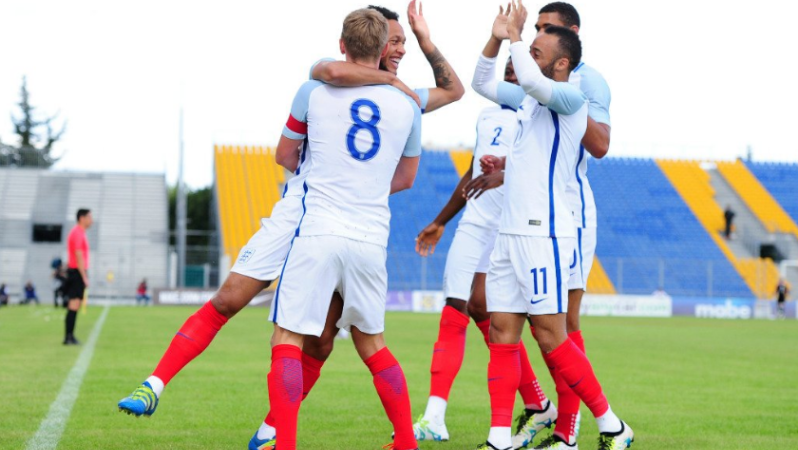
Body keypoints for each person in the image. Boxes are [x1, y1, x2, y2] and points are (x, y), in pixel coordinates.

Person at [117, 0, 464, 440]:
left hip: (323, 220)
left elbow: (450, 92)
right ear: (378, 46)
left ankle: (270, 432)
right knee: (234, 300)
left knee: (312, 341)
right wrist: (392, 79)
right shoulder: (382, 92)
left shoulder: (394, 96)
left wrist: (424, 42)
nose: (400, 50)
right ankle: (156, 384)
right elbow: (339, 77)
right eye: (395, 41)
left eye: (402, 42)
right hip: (319, 218)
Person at [248, 8, 422, 450]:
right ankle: (406, 441)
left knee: (287, 338)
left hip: (320, 228)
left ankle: (283, 443)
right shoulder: (408, 105)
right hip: (370, 236)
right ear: (385, 49)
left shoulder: (315, 90)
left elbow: (286, 156)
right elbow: (404, 180)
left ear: (342, 46)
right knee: (374, 345)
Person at [471, 2, 632, 450]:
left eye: (540, 47)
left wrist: (516, 36)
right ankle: (499, 436)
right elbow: (484, 81)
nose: (527, 53)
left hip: (546, 233)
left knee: (551, 334)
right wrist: (496, 35)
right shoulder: (530, 98)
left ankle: (612, 424)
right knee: (503, 330)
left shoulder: (572, 95)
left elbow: (529, 78)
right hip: (511, 232)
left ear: (562, 63)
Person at [411, 59, 554, 443]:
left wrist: (504, 174)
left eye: (516, 69)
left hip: (510, 226)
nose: (510, 74)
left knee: (488, 314)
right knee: (456, 308)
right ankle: (434, 417)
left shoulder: (538, 114)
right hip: (474, 223)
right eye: (505, 68)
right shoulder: (488, 115)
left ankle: (538, 405)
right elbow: (474, 172)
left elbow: (540, 172)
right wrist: (441, 220)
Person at [64, 209, 92, 345]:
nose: (91, 220)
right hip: (76, 272)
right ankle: (68, 336)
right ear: (82, 218)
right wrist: (84, 276)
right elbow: (78, 254)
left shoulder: (80, 232)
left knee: (75, 304)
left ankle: (70, 336)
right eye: (89, 217)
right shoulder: (77, 232)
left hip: (77, 272)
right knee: (74, 304)